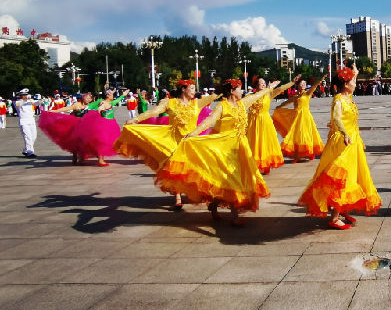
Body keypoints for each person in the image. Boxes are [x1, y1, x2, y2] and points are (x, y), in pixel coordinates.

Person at [155, 78, 274, 226]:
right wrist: (194, 133)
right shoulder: (222, 107)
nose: (241, 91)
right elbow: (209, 121)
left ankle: (214, 204)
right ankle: (235, 217)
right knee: (232, 180)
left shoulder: (243, 103)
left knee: (235, 179)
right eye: (238, 89)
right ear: (231, 91)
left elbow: (256, 96)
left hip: (241, 147)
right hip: (225, 148)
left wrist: (271, 88)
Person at [299, 66, 381, 230]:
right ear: (345, 84)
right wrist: (344, 133)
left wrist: (355, 73)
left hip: (352, 141)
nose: (355, 84)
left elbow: (352, 85)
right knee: (341, 179)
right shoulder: (339, 100)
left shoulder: (347, 96)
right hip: (343, 142)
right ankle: (334, 217)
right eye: (352, 81)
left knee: (352, 177)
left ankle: (342, 210)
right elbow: (336, 119)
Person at [115, 79, 218, 206]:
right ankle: (178, 197)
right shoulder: (170, 103)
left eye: (194, 88)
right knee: (175, 169)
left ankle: (199, 193)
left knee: (196, 169)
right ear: (183, 89)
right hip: (173, 142)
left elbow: (217, 95)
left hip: (191, 142)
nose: (194, 91)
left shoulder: (197, 103)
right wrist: (136, 119)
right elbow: (153, 111)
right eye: (191, 88)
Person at [247, 75, 300, 173]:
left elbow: (280, 89)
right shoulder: (251, 96)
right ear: (256, 85)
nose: (263, 84)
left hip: (265, 122)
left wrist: (292, 82)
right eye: (261, 83)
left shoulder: (269, 94)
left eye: (264, 83)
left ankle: (266, 164)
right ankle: (255, 164)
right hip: (254, 123)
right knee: (256, 142)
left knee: (265, 143)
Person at [272, 72, 327, 161]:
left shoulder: (307, 94)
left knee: (307, 134)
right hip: (297, 117)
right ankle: (297, 153)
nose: (303, 85)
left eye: (305, 84)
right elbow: (287, 102)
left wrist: (321, 79)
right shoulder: (296, 96)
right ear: (298, 85)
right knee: (296, 135)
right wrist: (279, 107)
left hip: (305, 117)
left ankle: (310, 151)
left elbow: (314, 87)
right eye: (302, 84)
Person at [39, 92, 96, 162]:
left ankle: (81, 157)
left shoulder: (90, 106)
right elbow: (65, 109)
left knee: (84, 142)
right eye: (86, 97)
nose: (87, 99)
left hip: (85, 126)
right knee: (76, 142)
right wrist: (54, 111)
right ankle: (75, 155)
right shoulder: (76, 105)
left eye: (89, 98)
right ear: (83, 98)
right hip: (76, 126)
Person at [14, 88, 39, 157]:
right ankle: (30, 152)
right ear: (20, 96)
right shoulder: (17, 102)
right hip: (24, 122)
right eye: (23, 95)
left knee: (34, 136)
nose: (25, 96)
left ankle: (25, 150)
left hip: (31, 121)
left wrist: (39, 100)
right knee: (28, 137)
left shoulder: (30, 101)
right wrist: (29, 101)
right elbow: (20, 104)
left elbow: (37, 103)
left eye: (26, 95)